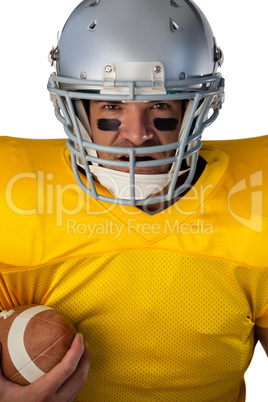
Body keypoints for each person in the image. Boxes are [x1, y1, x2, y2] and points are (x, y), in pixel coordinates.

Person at [0, 0, 267, 401]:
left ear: (196, 107)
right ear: (75, 109)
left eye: (159, 105)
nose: (136, 135)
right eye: (112, 106)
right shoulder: (12, 189)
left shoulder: (256, 193)